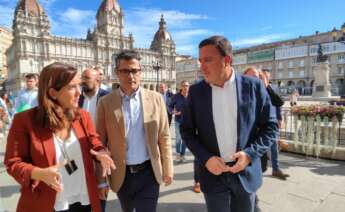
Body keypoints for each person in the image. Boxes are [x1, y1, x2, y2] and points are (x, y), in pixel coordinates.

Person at [180, 35, 278, 212]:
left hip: (245, 173)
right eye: (200, 61)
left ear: (227, 60)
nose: (201, 67)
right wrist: (206, 158)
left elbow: (271, 128)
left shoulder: (254, 87)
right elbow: (186, 131)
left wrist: (249, 154)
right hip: (212, 175)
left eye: (207, 60)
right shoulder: (196, 92)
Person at [4, 62, 115, 212]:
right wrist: (38, 173)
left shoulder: (82, 116)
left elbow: (94, 141)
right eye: (72, 87)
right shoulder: (24, 121)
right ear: (52, 92)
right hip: (49, 202)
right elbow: (13, 162)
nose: (79, 92)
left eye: (79, 85)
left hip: (84, 198)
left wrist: (101, 152)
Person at [96, 50, 173, 212]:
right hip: (122, 175)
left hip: (149, 173)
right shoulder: (105, 103)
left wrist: (168, 169)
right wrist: (101, 181)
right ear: (117, 72)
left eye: (134, 71)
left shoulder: (156, 98)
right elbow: (100, 144)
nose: (130, 76)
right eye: (125, 71)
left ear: (140, 72)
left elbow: (164, 136)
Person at [169, 80, 189, 163]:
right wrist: (173, 112)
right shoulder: (176, 96)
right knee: (178, 138)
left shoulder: (191, 96)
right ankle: (177, 154)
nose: (185, 87)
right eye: (184, 85)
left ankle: (182, 155)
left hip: (188, 121)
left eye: (187, 85)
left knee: (185, 139)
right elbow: (170, 106)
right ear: (181, 87)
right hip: (178, 120)